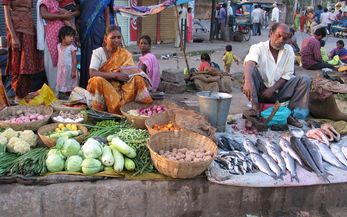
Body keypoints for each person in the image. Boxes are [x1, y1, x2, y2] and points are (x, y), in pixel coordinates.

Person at [243, 23, 312, 127]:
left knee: (305, 79)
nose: (281, 40)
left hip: (279, 91)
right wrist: (247, 82)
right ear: (271, 33)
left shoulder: (289, 51)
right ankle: (255, 109)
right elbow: (249, 62)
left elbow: (288, 74)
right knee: (250, 71)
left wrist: (272, 89)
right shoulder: (258, 47)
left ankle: (289, 114)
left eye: (284, 38)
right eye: (278, 36)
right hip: (259, 90)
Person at [87, 26, 153, 114]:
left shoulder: (125, 54)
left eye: (119, 37)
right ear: (106, 39)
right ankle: (99, 111)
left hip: (122, 86)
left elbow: (131, 71)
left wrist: (135, 74)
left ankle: (140, 110)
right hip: (104, 85)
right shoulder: (98, 53)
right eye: (113, 38)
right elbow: (92, 73)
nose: (117, 40)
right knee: (96, 80)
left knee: (138, 78)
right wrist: (115, 75)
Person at [3, 0, 44, 99]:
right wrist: (13, 36)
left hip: (30, 29)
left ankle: (24, 95)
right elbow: (6, 13)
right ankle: (17, 95)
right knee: (18, 65)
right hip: (17, 29)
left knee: (29, 65)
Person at [38, 0, 75, 91]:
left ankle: (63, 90)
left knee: (63, 62)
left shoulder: (57, 3)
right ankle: (55, 91)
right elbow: (44, 14)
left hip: (60, 37)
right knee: (52, 63)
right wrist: (61, 16)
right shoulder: (46, 1)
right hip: (52, 36)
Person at [79, 0, 115, 88]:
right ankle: (87, 84)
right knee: (87, 56)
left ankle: (100, 85)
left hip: (100, 29)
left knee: (100, 54)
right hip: (86, 31)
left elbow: (107, 13)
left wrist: (107, 34)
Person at [56, 26, 78, 99]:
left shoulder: (72, 48)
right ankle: (62, 96)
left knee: (69, 83)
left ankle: (69, 98)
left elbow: (74, 60)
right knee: (62, 82)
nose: (72, 38)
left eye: (73, 36)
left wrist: (74, 71)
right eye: (69, 36)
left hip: (69, 70)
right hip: (61, 70)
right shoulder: (58, 46)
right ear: (62, 37)